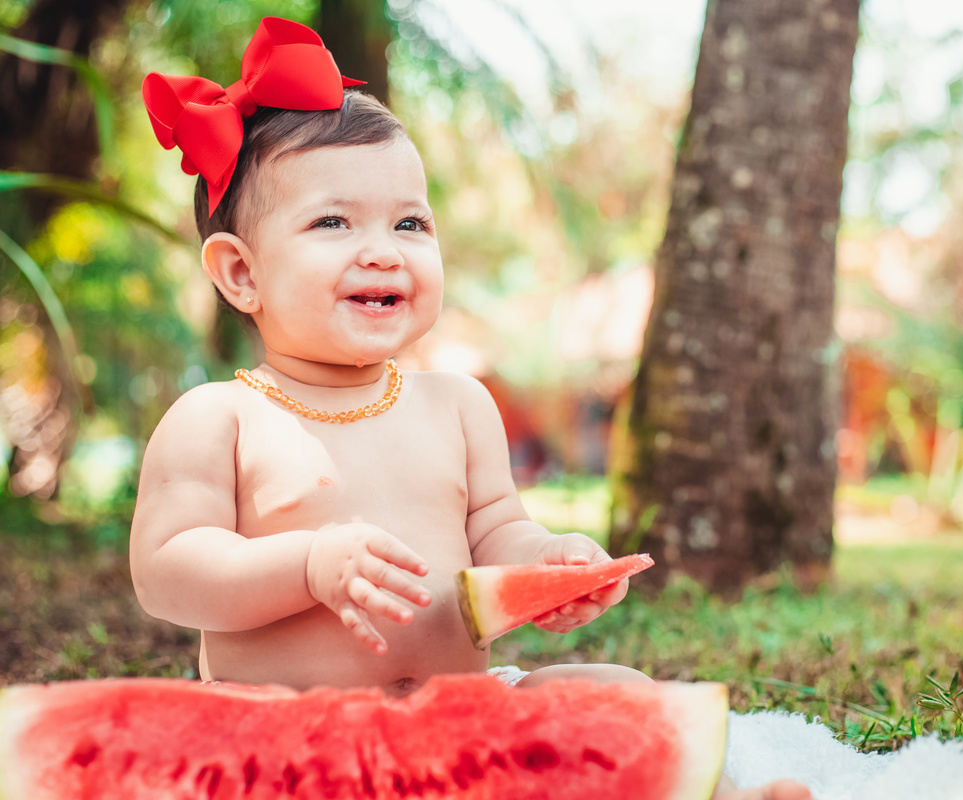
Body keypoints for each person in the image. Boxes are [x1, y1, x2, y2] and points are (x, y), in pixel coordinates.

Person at [130, 17, 810, 800]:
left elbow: (495, 532)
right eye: (332, 222)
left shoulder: (456, 403)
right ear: (241, 275)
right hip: (289, 744)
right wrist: (309, 565)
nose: (384, 249)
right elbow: (167, 572)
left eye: (410, 222)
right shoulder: (220, 417)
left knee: (609, 687)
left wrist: (546, 559)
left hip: (464, 720)